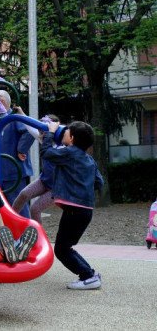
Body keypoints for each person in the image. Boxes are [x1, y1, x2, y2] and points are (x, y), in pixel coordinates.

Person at [41, 121, 104, 290]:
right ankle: (89, 275)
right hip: (84, 212)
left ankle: (88, 275)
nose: (64, 133)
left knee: (61, 250)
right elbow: (99, 182)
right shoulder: (89, 159)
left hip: (74, 211)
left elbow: (46, 153)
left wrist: (49, 132)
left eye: (67, 132)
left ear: (72, 138)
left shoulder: (70, 153)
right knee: (65, 247)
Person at [11, 114, 61, 223]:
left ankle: (38, 236)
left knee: (35, 209)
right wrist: (21, 114)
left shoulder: (62, 147)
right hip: (44, 181)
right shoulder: (45, 141)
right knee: (23, 194)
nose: (40, 135)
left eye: (42, 132)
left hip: (56, 189)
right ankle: (11, 219)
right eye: (40, 132)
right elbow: (31, 127)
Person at [0, 90, 35, 218]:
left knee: (18, 205)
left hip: (13, 171)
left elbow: (29, 131)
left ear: (1, 102)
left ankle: (25, 234)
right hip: (4, 170)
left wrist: (21, 150)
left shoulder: (12, 118)